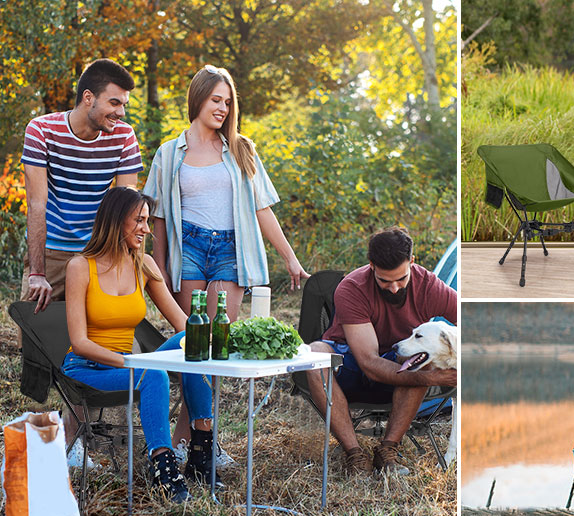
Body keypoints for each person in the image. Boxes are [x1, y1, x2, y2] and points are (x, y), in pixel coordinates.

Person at [142, 65, 308, 454]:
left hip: (230, 253)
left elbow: (262, 208)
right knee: (193, 348)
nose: (222, 108)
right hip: (189, 250)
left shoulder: (240, 149)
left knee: (215, 347)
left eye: (228, 102)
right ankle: (195, 437)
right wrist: (162, 270)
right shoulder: (169, 153)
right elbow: (159, 219)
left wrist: (290, 257)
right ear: (198, 98)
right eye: (216, 99)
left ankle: (195, 438)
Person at [61, 187, 214, 503]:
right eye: (139, 220)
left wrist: (214, 337)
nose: (146, 228)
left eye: (146, 220)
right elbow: (79, 342)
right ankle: (164, 472)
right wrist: (132, 362)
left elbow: (183, 323)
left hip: (128, 364)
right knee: (152, 373)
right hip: (86, 367)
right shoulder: (80, 267)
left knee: (192, 341)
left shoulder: (143, 264)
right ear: (116, 221)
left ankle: (202, 449)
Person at [303, 227, 458, 476]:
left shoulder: (429, 286)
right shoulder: (352, 288)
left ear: (412, 262)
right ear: (372, 266)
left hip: (398, 366)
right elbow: (369, 362)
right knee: (315, 353)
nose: (394, 288)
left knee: (420, 360)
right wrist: (433, 378)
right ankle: (354, 453)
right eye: (385, 281)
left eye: (401, 279)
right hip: (351, 365)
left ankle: (387, 452)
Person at [22, 58, 142, 310]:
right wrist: (37, 273)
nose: (121, 113)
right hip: (51, 250)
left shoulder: (124, 135)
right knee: (35, 342)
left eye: (124, 105)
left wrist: (121, 266)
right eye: (114, 103)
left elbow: (127, 207)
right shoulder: (41, 130)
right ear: (88, 97)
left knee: (98, 340)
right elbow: (36, 203)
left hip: (97, 253)